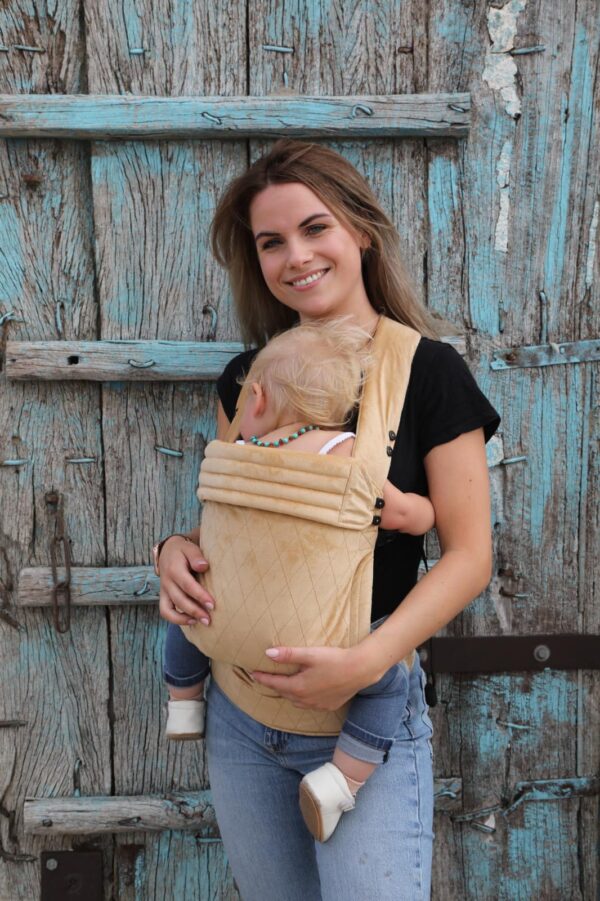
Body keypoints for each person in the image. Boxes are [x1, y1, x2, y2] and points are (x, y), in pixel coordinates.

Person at [156, 139, 500, 900]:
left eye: (316, 228)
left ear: (361, 232)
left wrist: (366, 660)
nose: (296, 256)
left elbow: (469, 556)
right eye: (271, 241)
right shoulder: (250, 379)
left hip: (364, 719)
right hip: (242, 713)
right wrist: (174, 552)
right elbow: (230, 523)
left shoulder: (431, 373)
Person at [162, 318, 436, 843]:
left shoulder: (238, 455)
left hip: (230, 634)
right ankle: (341, 780)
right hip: (321, 645)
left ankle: (183, 698)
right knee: (389, 685)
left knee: (189, 615)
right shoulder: (348, 459)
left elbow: (215, 535)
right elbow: (414, 517)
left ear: (256, 399)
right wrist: (422, 512)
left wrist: (170, 547)